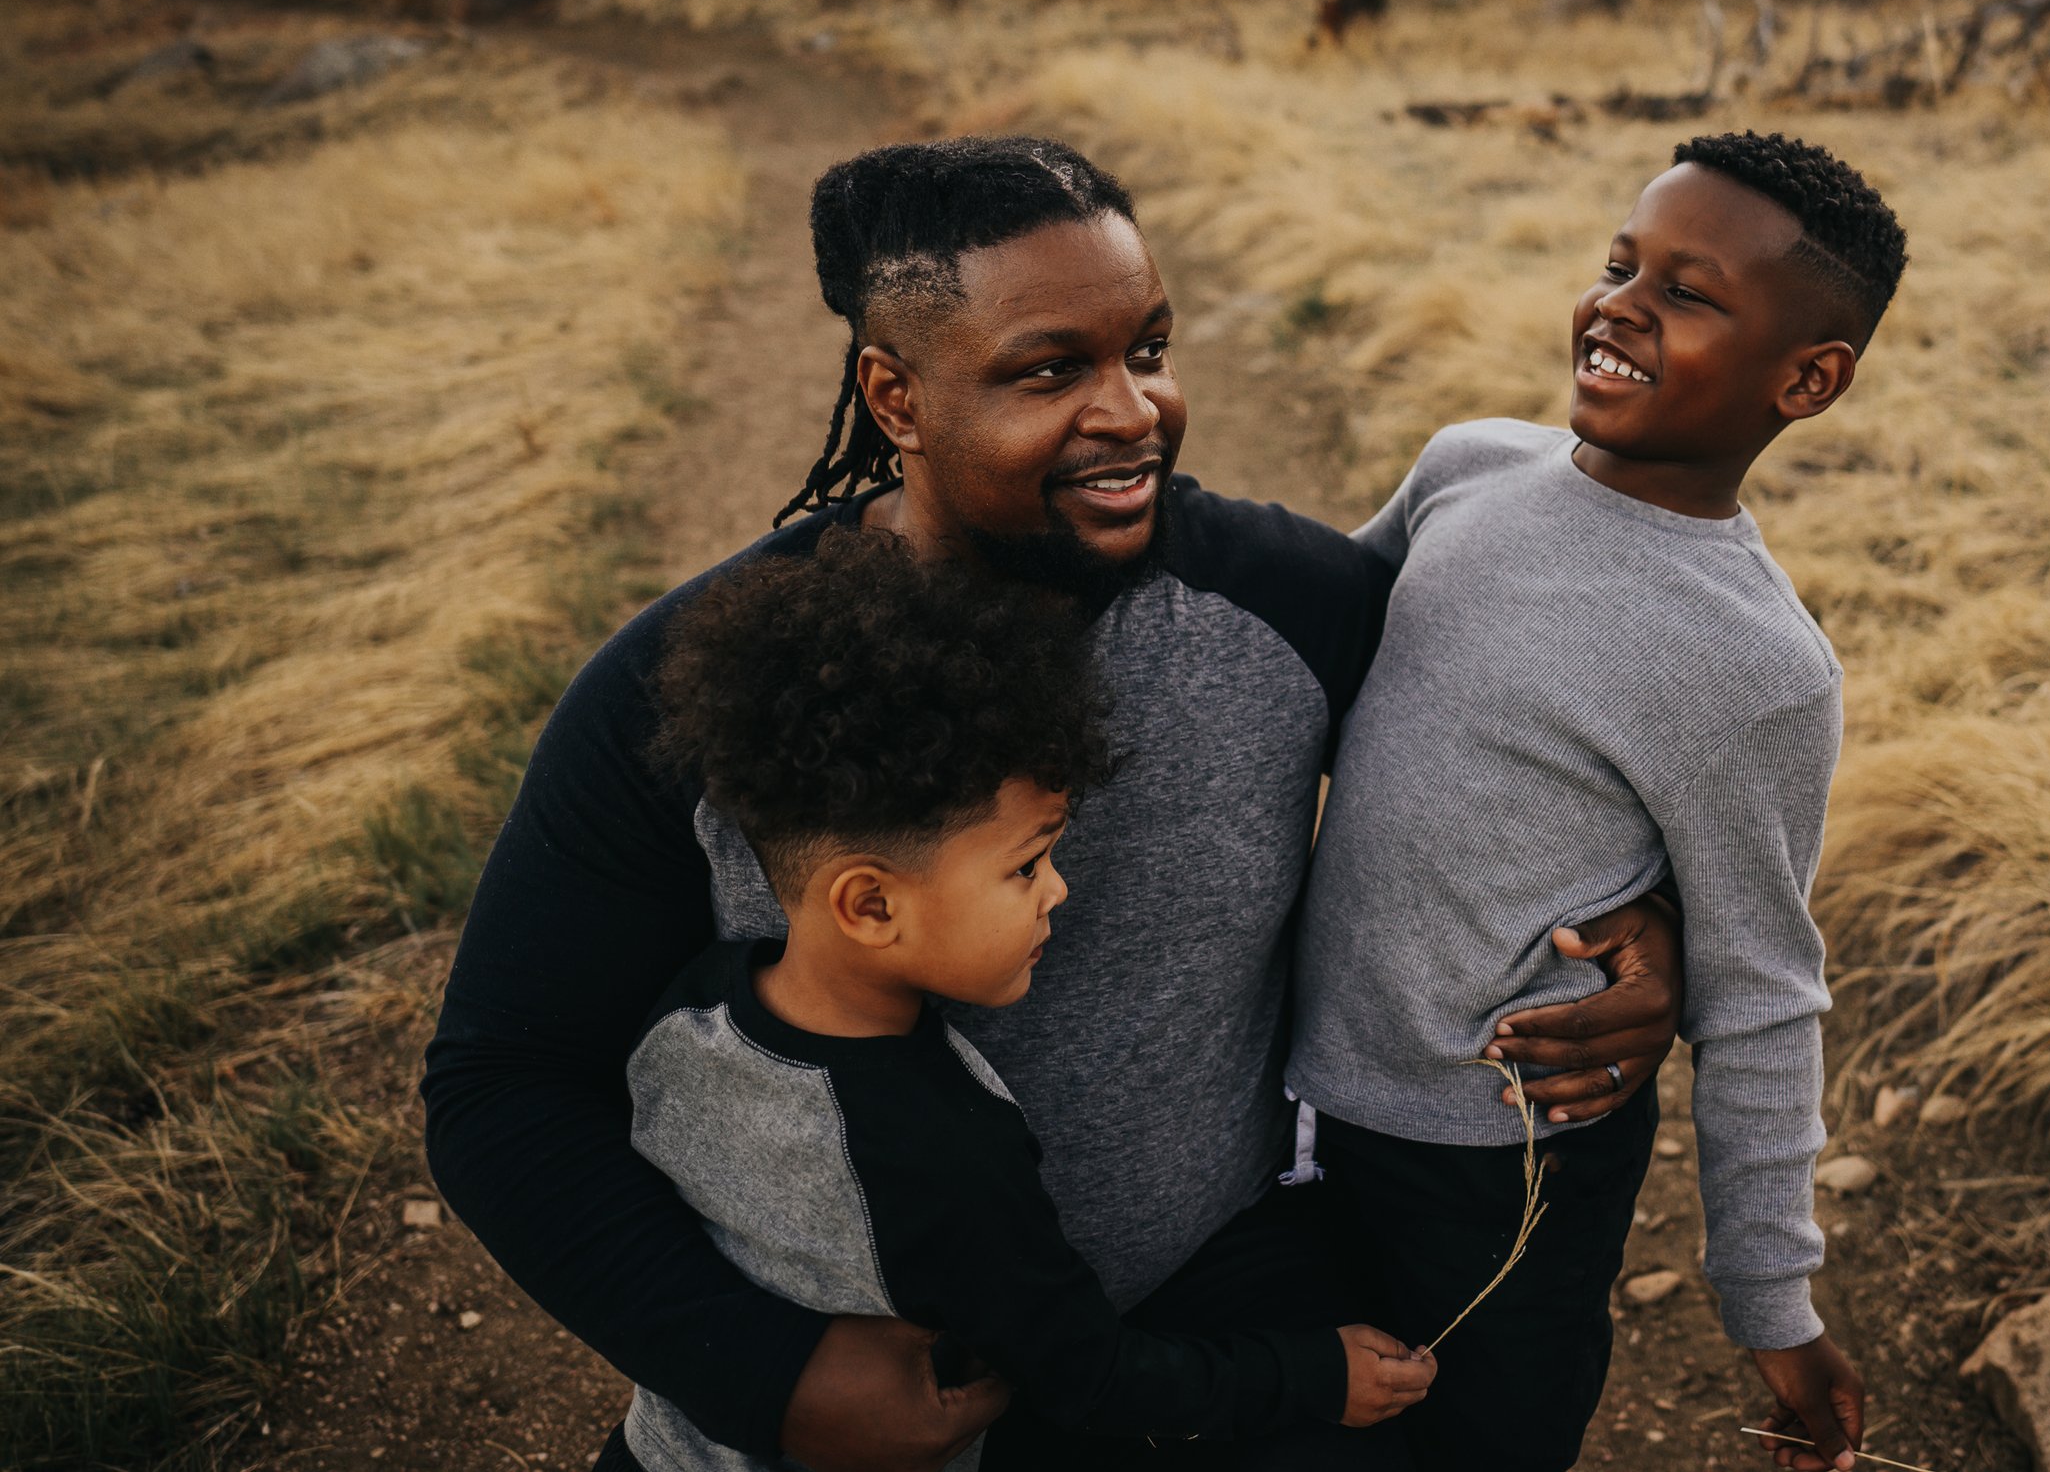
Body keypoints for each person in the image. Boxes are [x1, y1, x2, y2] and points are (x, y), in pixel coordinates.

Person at [420, 134, 1684, 1472]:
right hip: (855, 1393)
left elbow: (1530, 754)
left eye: (1148, 346)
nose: (1135, 409)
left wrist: (1639, 922)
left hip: (1206, 1308)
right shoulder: (701, 690)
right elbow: (502, 1081)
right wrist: (763, 1369)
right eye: (1049, 369)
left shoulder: (1292, 606)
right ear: (895, 396)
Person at [1285, 131, 1910, 1472]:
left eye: (1688, 292)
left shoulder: (1755, 665)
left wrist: (1770, 1299)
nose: (1621, 303)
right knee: (1299, 1396)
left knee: (1484, 1425)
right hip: (1289, 1084)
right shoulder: (1468, 466)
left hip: (1503, 1150)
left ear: (1807, 377)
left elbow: (1764, 986)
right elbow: (1306, 670)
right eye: (1621, 262)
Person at [608, 527, 1434, 1472]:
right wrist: (1313, 1376)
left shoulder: (687, 1017)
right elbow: (1091, 1378)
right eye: (1028, 864)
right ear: (871, 903)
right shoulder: (948, 1149)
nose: (1059, 892)